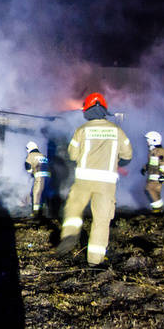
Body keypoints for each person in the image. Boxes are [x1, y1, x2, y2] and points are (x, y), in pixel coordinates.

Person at [56, 93, 132, 266]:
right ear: (104, 110)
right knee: (101, 219)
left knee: (74, 207)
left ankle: (70, 234)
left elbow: (72, 155)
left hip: (83, 180)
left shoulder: (81, 131)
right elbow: (128, 155)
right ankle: (95, 260)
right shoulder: (117, 131)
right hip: (106, 183)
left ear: (87, 110)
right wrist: (115, 160)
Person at [141, 131, 164, 213]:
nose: (147, 142)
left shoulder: (160, 151)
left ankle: (158, 210)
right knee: (152, 191)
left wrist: (163, 175)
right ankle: (158, 210)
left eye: (148, 140)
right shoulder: (153, 151)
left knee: (149, 189)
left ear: (153, 140)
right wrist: (144, 168)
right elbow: (152, 163)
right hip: (152, 177)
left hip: (157, 178)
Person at [24, 141, 50, 217]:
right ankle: (44, 211)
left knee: (36, 194)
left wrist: (32, 172)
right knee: (44, 193)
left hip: (39, 177)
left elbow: (28, 167)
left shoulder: (31, 155)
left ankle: (36, 213)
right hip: (48, 177)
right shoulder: (43, 156)